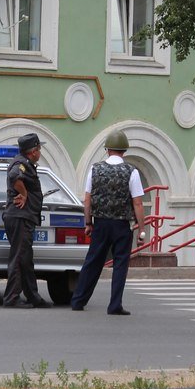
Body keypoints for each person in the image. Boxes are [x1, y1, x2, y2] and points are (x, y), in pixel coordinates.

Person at [70, 130, 146, 315]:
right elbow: (137, 202)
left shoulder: (95, 169)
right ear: (124, 150)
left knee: (93, 261)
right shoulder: (132, 172)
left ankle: (78, 300)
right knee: (120, 264)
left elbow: (87, 199)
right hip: (121, 225)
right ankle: (114, 305)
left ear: (107, 149)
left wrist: (88, 222)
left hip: (101, 223)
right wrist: (141, 229)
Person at [3, 133, 50, 308]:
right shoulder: (20, 164)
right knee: (18, 258)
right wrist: (24, 194)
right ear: (33, 151)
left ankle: (33, 296)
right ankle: (12, 298)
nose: (40, 152)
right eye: (39, 149)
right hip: (19, 217)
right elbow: (15, 176)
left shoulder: (27, 163)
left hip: (24, 218)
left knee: (26, 258)